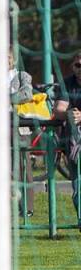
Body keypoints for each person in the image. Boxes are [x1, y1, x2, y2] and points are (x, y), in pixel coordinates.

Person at [55, 51, 81, 227]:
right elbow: (58, 109)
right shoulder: (67, 83)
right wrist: (68, 114)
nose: (80, 69)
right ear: (73, 66)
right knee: (78, 183)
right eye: (78, 65)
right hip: (73, 141)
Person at [8, 49, 35, 218]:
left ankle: (27, 208)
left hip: (19, 125)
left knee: (23, 167)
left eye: (8, 57)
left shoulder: (21, 76)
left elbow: (26, 94)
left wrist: (2, 98)